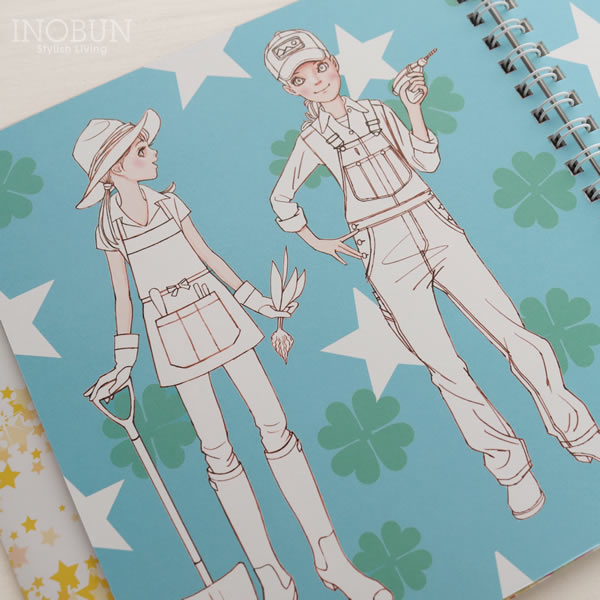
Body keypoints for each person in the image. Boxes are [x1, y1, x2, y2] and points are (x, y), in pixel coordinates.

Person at [264, 29, 600, 520]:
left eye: (319, 67)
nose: (315, 80)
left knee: (514, 334)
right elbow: (281, 199)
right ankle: (512, 471)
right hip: (382, 245)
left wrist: (412, 106)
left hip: (433, 222)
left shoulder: (377, 112)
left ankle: (581, 432)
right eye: (299, 78)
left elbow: (426, 160)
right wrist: (318, 240)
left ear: (334, 63)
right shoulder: (313, 139)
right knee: (445, 367)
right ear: (289, 90)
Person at [73, 108, 391, 600]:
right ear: (116, 168)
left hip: (217, 309)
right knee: (217, 450)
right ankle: (270, 575)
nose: (152, 152)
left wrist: (259, 303)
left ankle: (330, 558)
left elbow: (210, 258)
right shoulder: (110, 227)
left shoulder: (171, 205)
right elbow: (122, 295)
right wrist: (123, 360)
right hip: (169, 330)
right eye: (140, 150)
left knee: (275, 426)